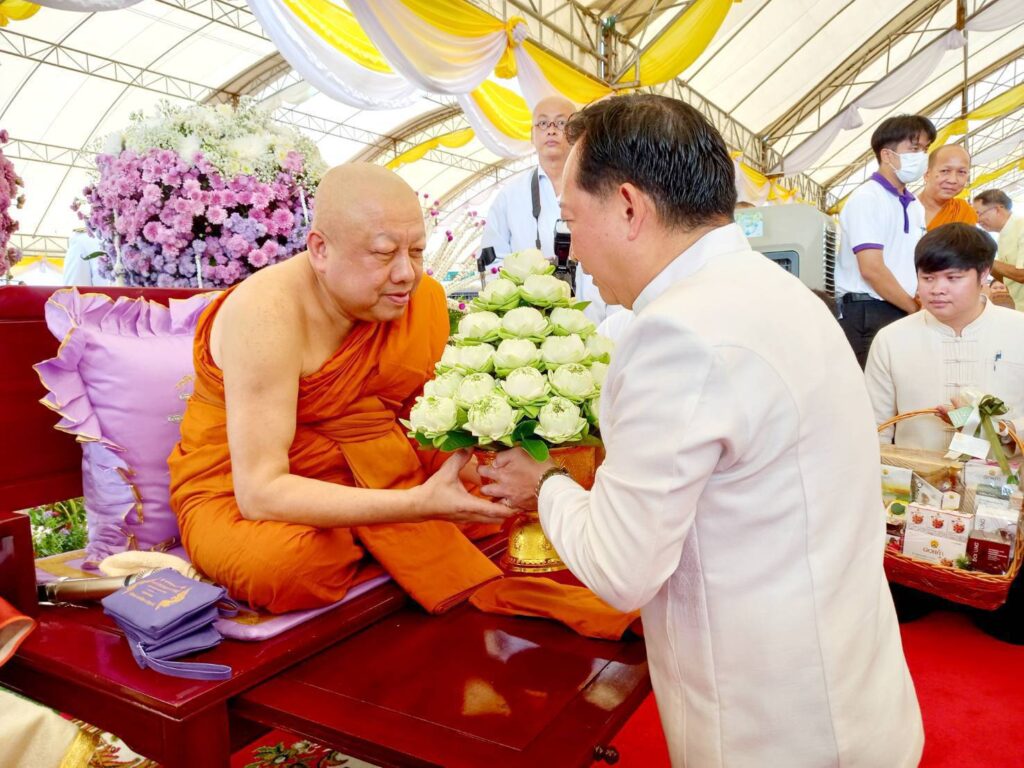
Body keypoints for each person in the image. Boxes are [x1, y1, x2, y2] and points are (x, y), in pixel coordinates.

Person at [479, 93, 923, 767]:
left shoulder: (676, 333)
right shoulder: (782, 292)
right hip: (847, 678)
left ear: (628, 207)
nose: (573, 253)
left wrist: (544, 484)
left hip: (773, 724)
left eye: (571, 223)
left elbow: (621, 568)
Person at [168, 164, 513, 613]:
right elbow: (259, 493)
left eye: (416, 252)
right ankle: (377, 532)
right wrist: (416, 505)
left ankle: (367, 531)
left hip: (379, 463)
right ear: (320, 249)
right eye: (384, 254)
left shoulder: (420, 299)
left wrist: (487, 465)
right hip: (241, 492)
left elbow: (425, 423)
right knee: (284, 568)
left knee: (508, 490)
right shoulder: (265, 314)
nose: (407, 274)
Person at [866, 223, 1024, 452]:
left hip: (1005, 473)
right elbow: (874, 426)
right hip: (915, 472)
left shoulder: (1018, 330)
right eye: (928, 278)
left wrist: (1002, 429)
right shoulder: (891, 339)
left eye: (953, 277)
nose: (937, 289)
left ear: (983, 274)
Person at [479, 95, 618, 324]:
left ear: (577, 132)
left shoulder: (604, 189)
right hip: (533, 328)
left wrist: (613, 325)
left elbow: (618, 259)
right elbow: (492, 266)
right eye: (543, 123)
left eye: (561, 123)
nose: (551, 130)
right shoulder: (509, 197)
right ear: (532, 135)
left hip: (598, 322)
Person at [836, 114, 936, 367]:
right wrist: (914, 308)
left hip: (901, 307)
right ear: (887, 155)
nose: (922, 157)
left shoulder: (914, 205)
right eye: (914, 149)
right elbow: (871, 269)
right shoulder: (867, 198)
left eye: (925, 149)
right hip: (868, 311)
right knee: (871, 388)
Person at [974, 189, 1024, 310]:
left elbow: (1022, 275)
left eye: (979, 213)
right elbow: (1007, 279)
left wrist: (986, 260)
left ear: (997, 209)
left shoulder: (1021, 227)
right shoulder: (1002, 236)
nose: (977, 220)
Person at [920, 144, 977, 230]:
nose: (952, 180)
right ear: (927, 174)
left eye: (961, 172)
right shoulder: (905, 208)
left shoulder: (964, 211)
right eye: (945, 171)